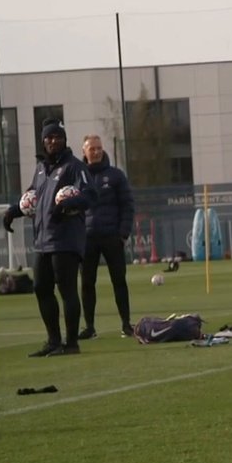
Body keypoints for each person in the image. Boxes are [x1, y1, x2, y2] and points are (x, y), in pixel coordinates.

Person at [2, 119, 97, 357]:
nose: (53, 141)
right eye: (48, 138)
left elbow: (90, 196)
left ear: (64, 140)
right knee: (41, 288)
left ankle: (72, 343)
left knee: (67, 290)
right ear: (43, 141)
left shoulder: (75, 167)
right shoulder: (42, 169)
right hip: (43, 239)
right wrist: (14, 211)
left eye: (57, 137)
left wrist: (65, 206)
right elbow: (33, 197)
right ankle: (53, 341)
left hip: (65, 239)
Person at [78, 134, 135, 340]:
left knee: (119, 281)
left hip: (112, 237)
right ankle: (90, 327)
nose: (96, 152)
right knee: (86, 283)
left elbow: (127, 205)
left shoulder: (115, 176)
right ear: (84, 151)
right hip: (87, 239)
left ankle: (126, 324)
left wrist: (123, 234)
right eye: (91, 148)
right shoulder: (77, 176)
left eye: (98, 148)